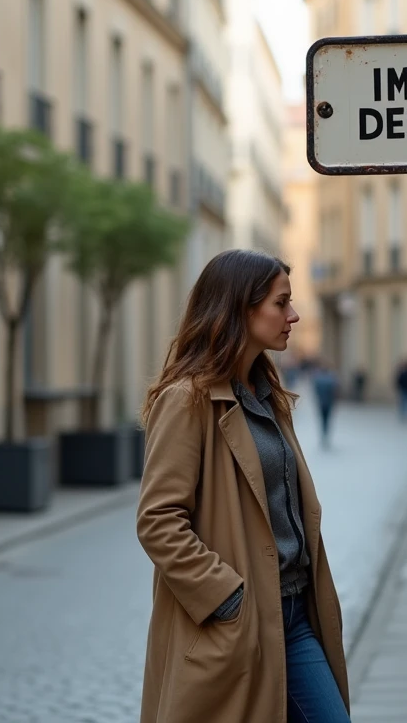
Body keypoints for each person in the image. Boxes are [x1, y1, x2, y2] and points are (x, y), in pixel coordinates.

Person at [136, 250, 350, 723]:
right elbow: (157, 521)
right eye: (281, 303)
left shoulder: (266, 395)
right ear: (241, 307)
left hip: (295, 614)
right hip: (239, 616)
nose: (293, 316)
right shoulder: (187, 400)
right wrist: (228, 598)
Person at [312, 359, 338, 448]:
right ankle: (325, 435)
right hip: (329, 403)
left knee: (322, 420)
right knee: (327, 420)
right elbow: (335, 391)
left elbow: (315, 391)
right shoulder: (332, 378)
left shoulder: (318, 378)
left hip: (321, 402)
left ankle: (323, 435)